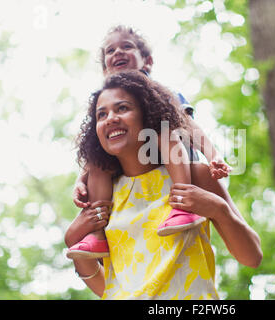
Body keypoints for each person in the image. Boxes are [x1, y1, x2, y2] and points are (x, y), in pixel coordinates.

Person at [64, 71, 262, 299]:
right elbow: (109, 288)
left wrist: (219, 209)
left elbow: (252, 257)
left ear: (147, 116)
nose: (110, 118)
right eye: (101, 114)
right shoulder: (102, 196)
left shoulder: (193, 176)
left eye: (122, 108)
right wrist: (72, 240)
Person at [66, 25, 231, 259]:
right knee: (97, 158)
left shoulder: (160, 92)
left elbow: (188, 125)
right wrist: (81, 180)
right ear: (105, 70)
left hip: (170, 155)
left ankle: (181, 205)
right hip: (129, 161)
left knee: (165, 127)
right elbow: (95, 149)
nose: (117, 53)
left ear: (147, 62)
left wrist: (213, 155)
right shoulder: (106, 104)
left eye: (126, 46)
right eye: (110, 51)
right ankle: (98, 233)